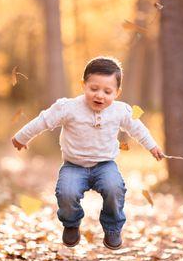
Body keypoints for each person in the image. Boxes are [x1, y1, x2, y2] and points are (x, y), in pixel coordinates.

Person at [12, 56, 163, 250]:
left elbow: (138, 129)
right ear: (83, 85)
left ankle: (112, 227)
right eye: (94, 89)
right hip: (74, 166)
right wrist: (21, 137)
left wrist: (152, 146)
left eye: (107, 91)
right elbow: (43, 120)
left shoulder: (121, 111)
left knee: (115, 188)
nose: (99, 95)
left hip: (105, 165)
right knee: (66, 193)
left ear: (117, 92)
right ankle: (71, 223)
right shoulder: (68, 107)